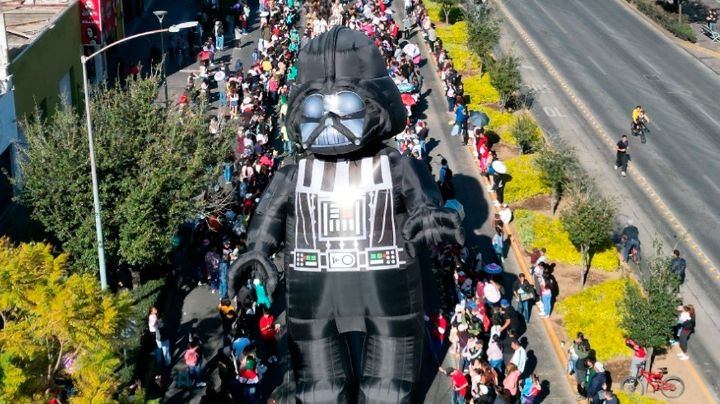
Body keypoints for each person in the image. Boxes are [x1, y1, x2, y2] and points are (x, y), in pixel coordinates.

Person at [572, 332, 591, 398]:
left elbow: (577, 351)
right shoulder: (584, 343)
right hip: (579, 367)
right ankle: (579, 392)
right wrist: (577, 343)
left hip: (582, 369)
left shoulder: (585, 353)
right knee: (578, 381)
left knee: (583, 382)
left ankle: (584, 395)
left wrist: (576, 344)